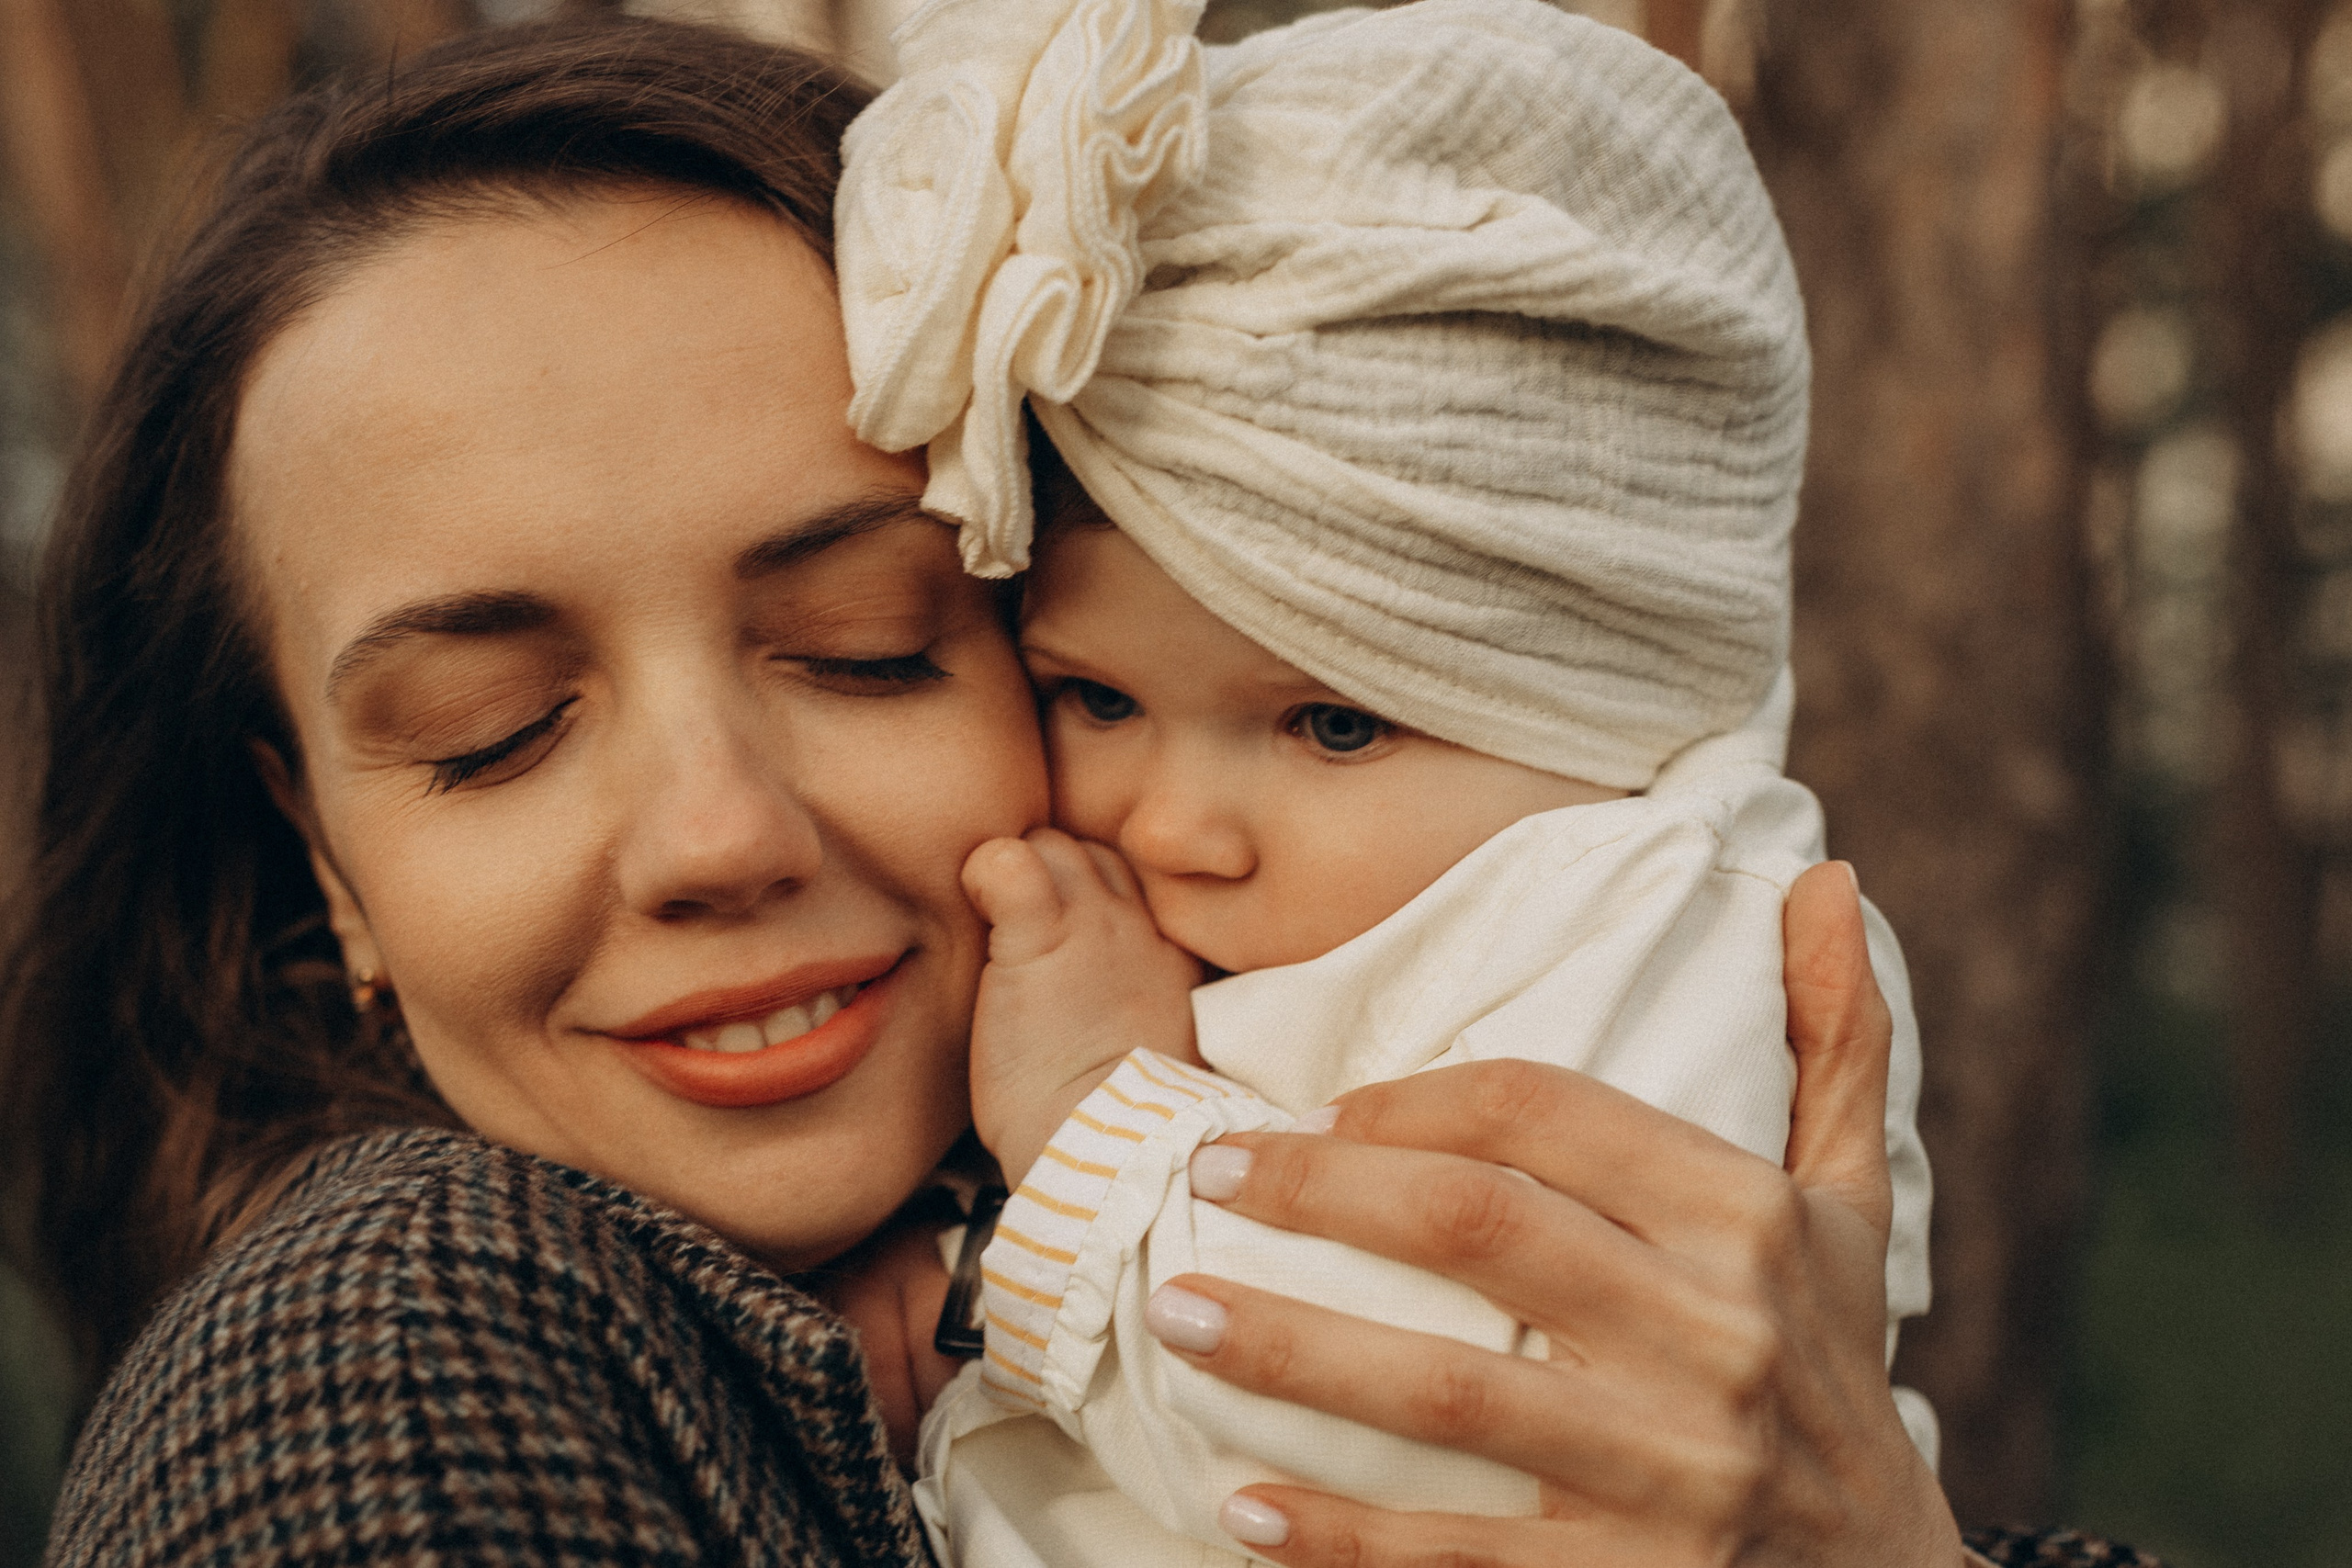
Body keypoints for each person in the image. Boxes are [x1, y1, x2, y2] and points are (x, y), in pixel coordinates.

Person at [0, 14, 2139, 1568]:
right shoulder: (391, 1347)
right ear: (324, 854)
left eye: (866, 644)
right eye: (493, 729)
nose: (721, 831)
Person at [829, 3, 1934, 1561]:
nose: (1174, 829)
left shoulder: (1670, 922)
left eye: (1335, 727)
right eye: (1099, 698)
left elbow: (1447, 1424)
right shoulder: (1250, 913)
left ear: (1603, 707)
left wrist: (1082, 1130)